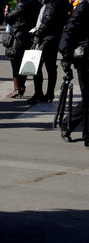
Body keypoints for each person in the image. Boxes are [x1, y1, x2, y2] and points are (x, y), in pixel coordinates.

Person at [27, 0, 73, 103]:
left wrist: (38, 34)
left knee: (37, 66)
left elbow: (47, 20)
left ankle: (39, 93)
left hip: (47, 38)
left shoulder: (52, 4)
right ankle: (49, 93)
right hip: (55, 37)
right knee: (51, 66)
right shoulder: (63, 4)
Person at [58, 0, 89, 145]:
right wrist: (65, 57)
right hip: (86, 59)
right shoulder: (85, 6)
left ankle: (69, 124)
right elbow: (69, 31)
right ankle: (72, 127)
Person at [4, 0, 42, 98]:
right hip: (31, 34)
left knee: (15, 60)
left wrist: (8, 14)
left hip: (19, 34)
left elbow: (9, 17)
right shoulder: (38, 3)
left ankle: (17, 89)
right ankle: (22, 86)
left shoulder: (22, 4)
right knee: (25, 61)